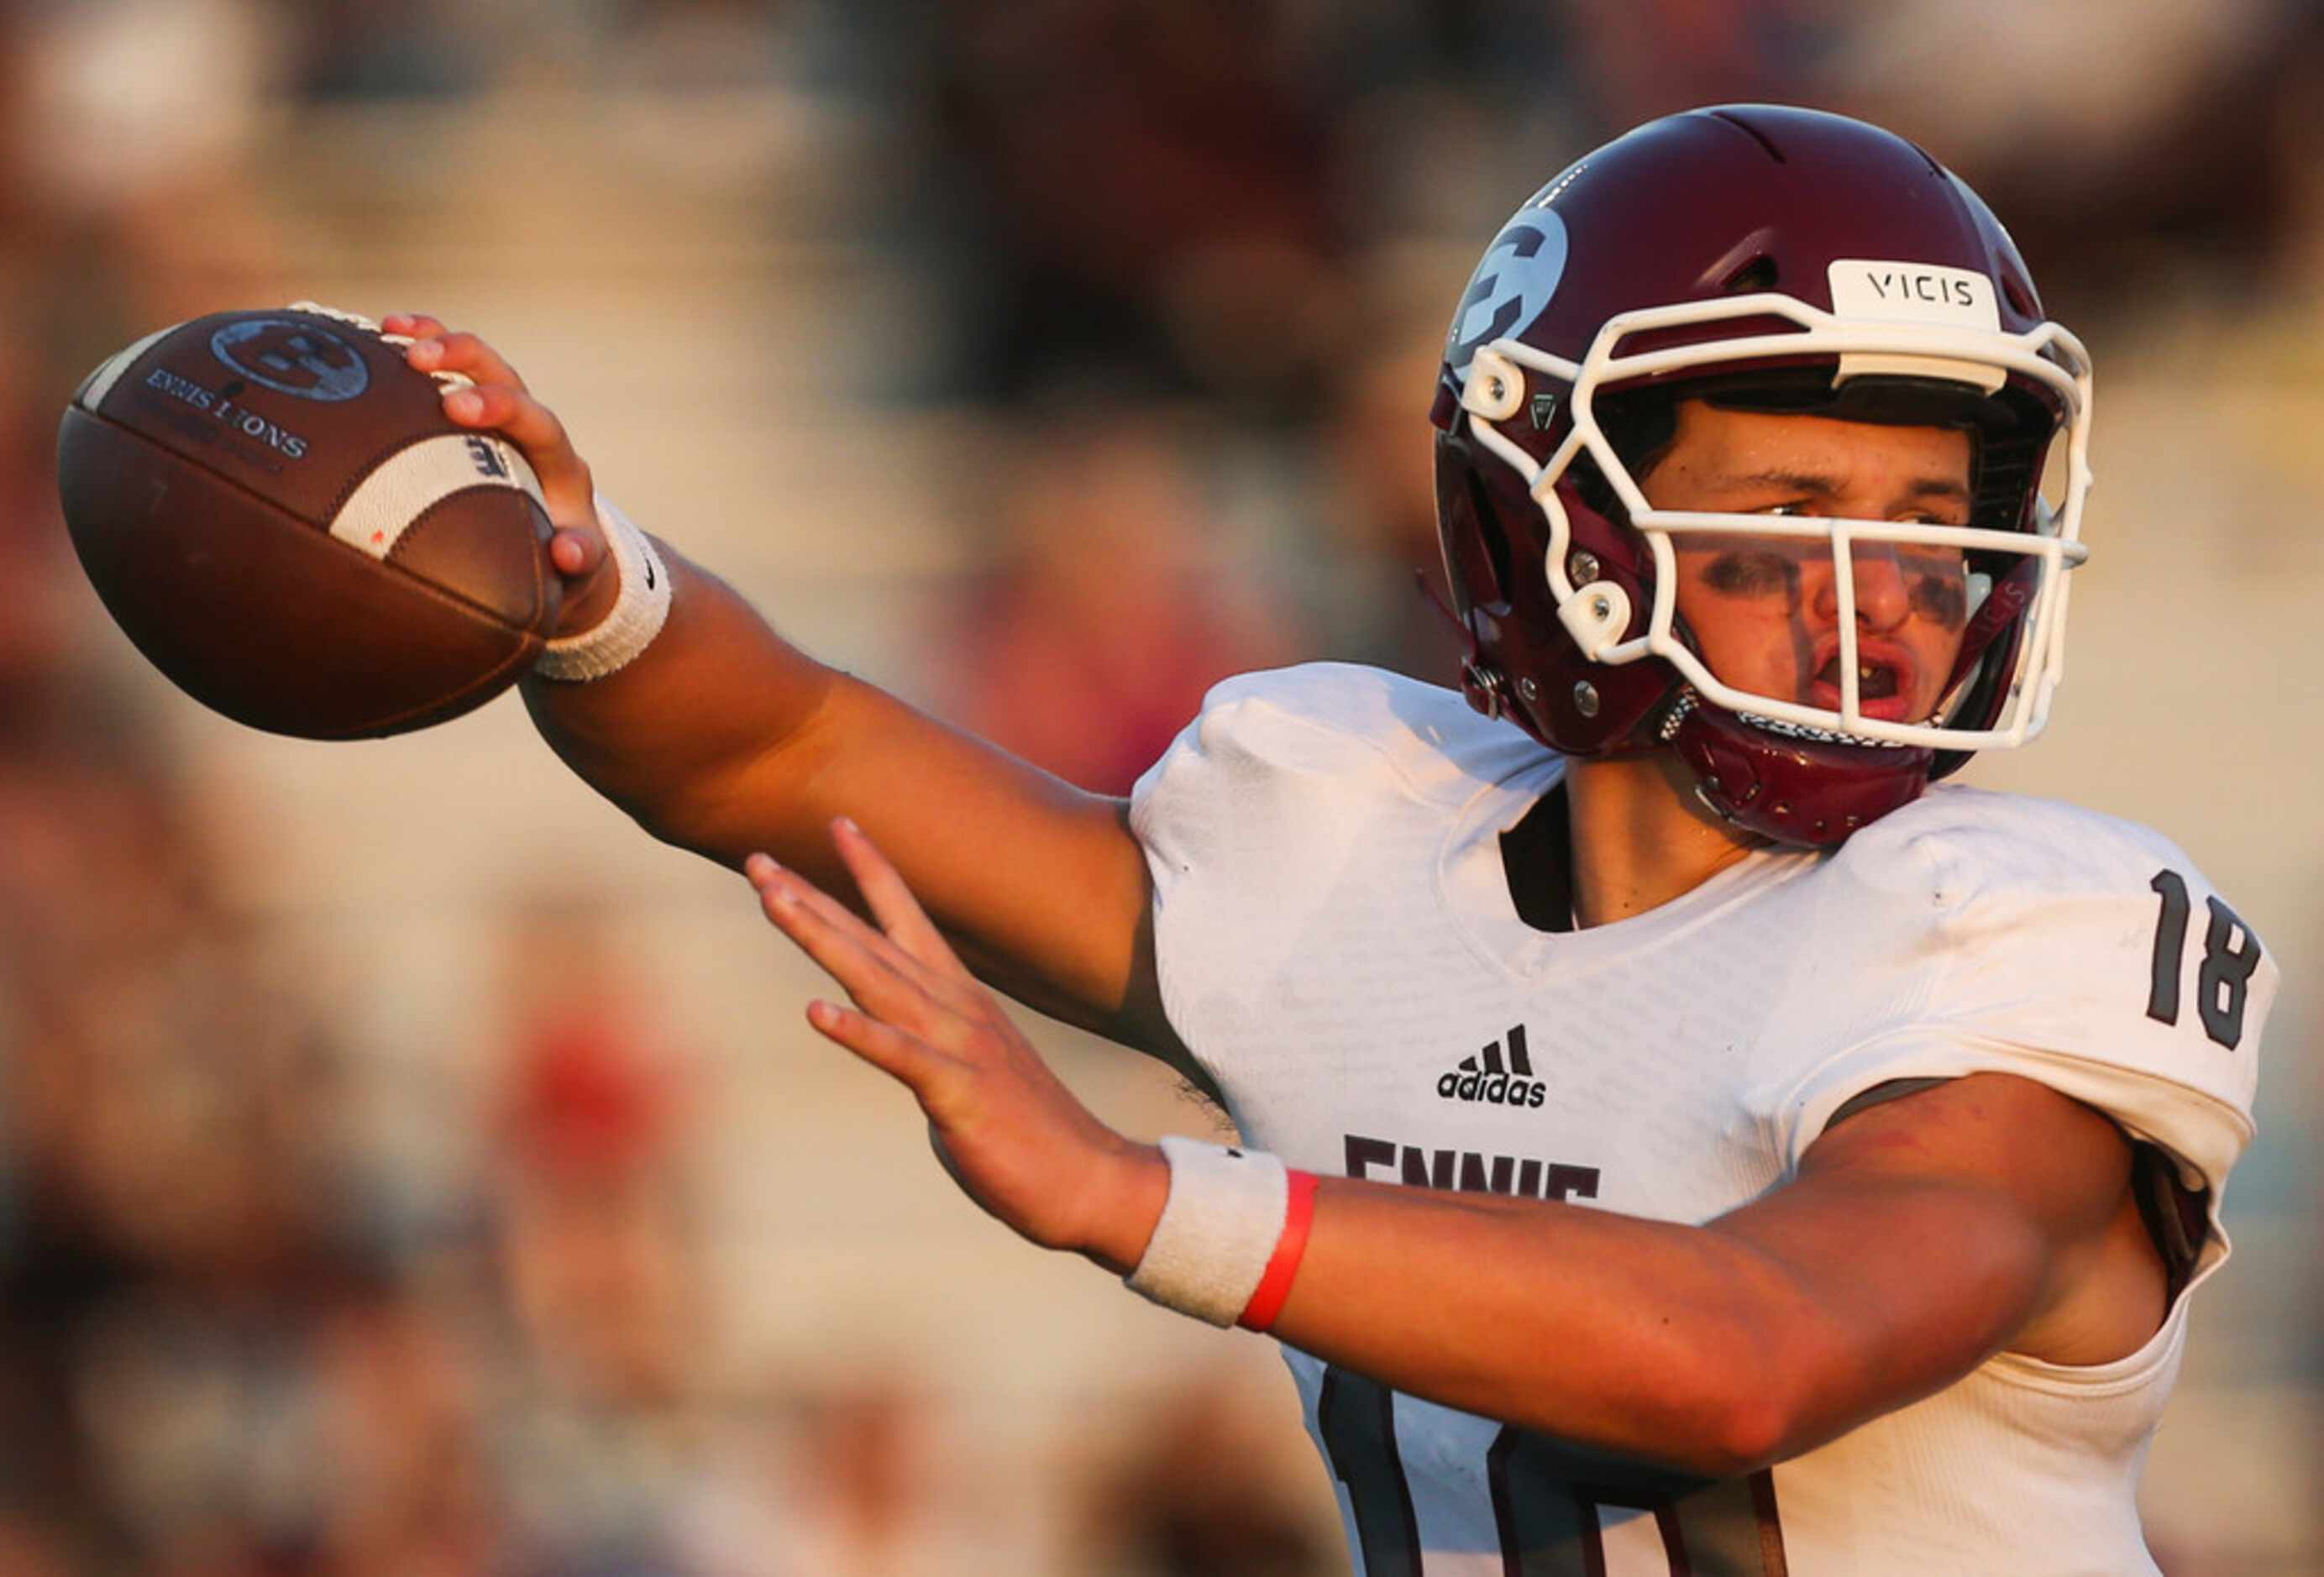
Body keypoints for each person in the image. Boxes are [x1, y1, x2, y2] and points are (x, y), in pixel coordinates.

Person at [380, 105, 2273, 1574]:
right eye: (1790, 509)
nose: (1880, 603)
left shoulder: (2020, 941)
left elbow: (1750, 1351)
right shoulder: (1354, 853)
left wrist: (1144, 1199)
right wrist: (582, 581)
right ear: (1568, 531)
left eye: (1927, 526)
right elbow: (780, 748)